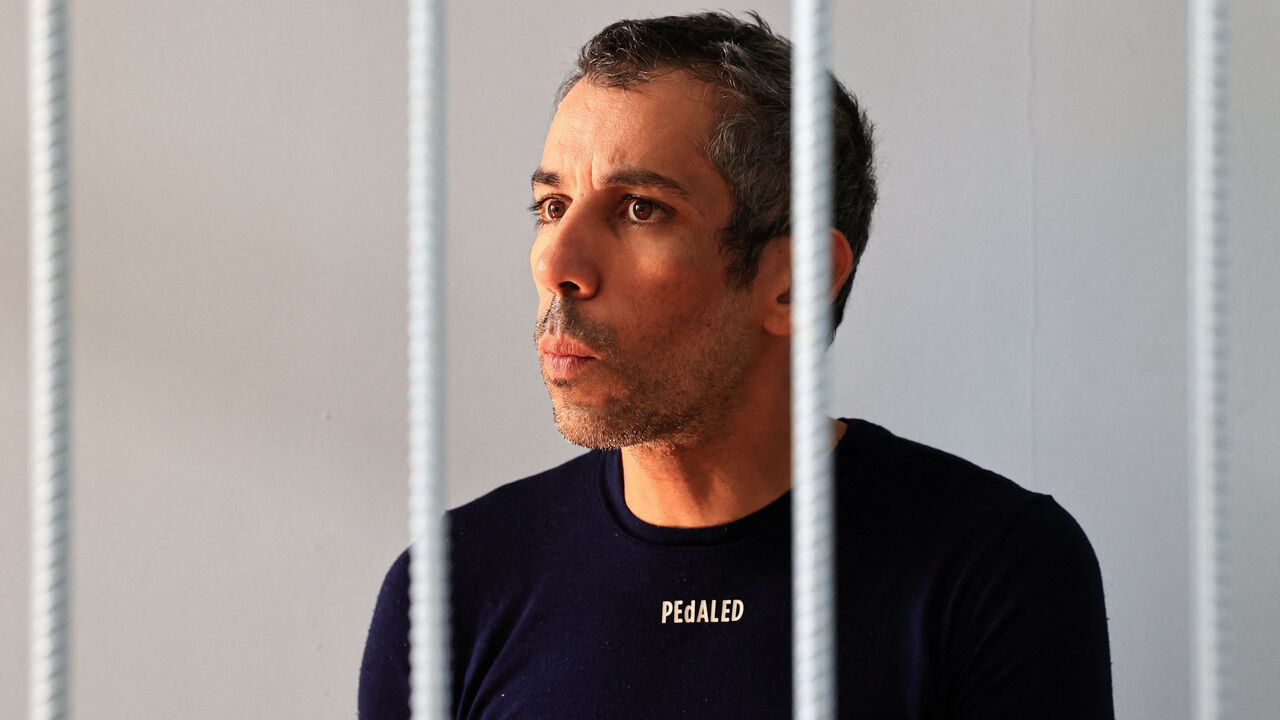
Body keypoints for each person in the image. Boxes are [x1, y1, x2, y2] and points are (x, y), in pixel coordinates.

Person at [359, 11, 1114, 719]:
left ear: (794, 281)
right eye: (552, 206)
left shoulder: (993, 569)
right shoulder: (451, 589)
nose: (556, 264)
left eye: (640, 209)